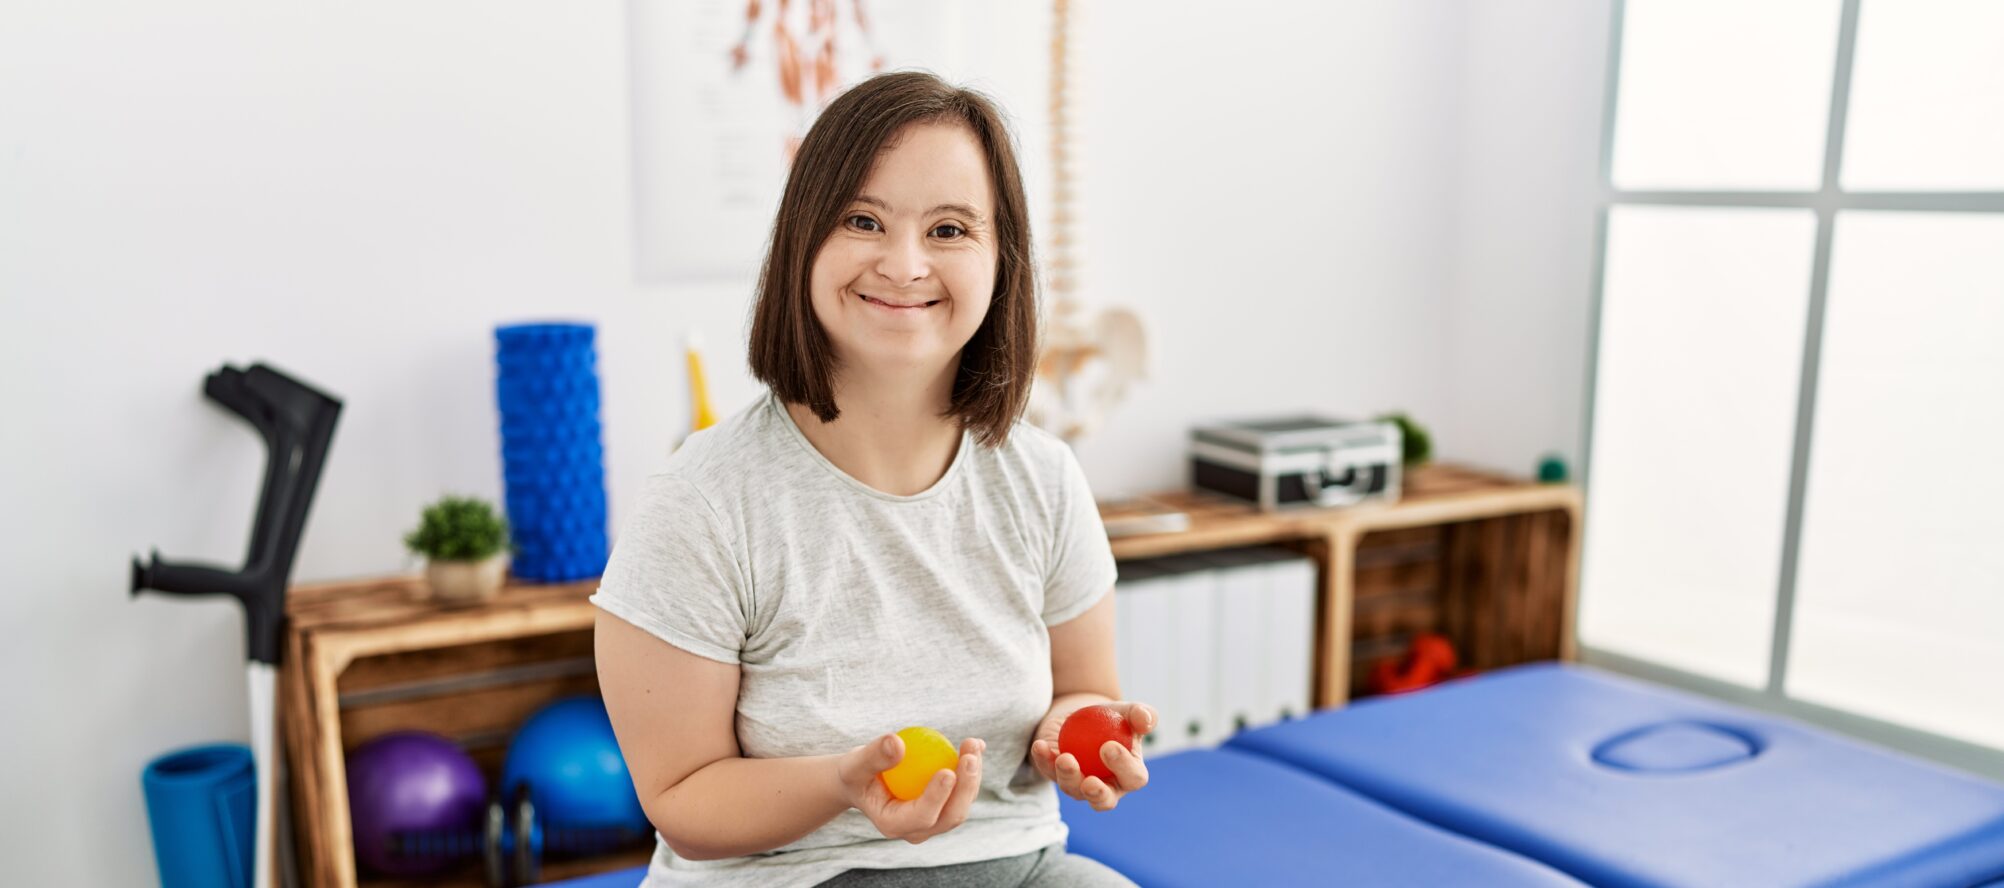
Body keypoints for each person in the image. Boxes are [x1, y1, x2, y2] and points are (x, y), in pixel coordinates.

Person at [591, 71, 1154, 888]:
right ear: (801, 241)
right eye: (863, 220)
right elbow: (681, 797)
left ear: (1002, 262)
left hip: (1019, 866)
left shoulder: (1044, 478)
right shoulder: (703, 500)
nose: (904, 263)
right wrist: (841, 784)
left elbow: (1083, 689)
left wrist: (1083, 739)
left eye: (951, 229)